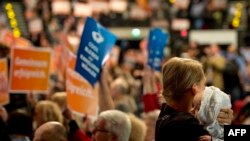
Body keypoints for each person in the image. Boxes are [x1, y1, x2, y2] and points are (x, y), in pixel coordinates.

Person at [155, 57, 211, 141]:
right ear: (194, 89)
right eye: (203, 87)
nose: (204, 91)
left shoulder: (165, 115)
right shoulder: (186, 122)